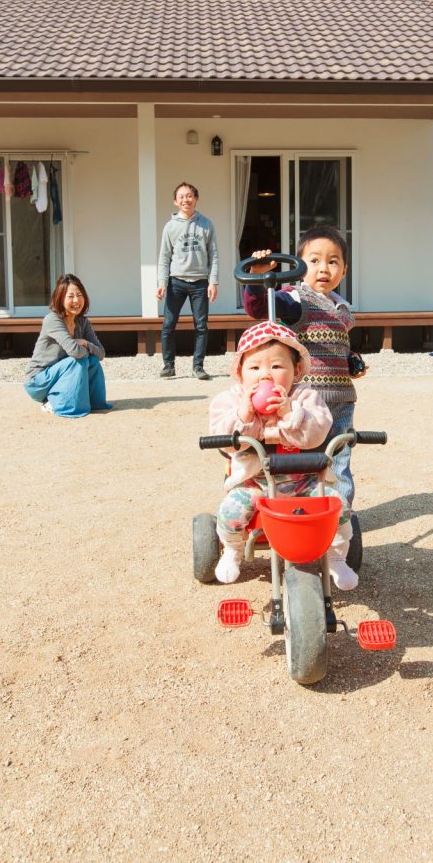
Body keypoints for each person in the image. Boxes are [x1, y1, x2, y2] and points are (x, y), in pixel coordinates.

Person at [209, 320, 358, 590]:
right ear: (240, 372)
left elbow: (318, 433)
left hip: (306, 482)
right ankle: (232, 550)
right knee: (232, 509)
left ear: (296, 369)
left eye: (277, 366)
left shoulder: (306, 397)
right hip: (256, 483)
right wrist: (244, 414)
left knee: (338, 506)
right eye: (254, 367)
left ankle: (337, 557)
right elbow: (226, 441)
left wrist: (290, 413)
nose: (265, 375)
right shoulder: (230, 399)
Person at [243, 226, 367, 509]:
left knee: (339, 457)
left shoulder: (342, 309)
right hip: (308, 399)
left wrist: (351, 362)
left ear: (344, 270)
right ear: (299, 266)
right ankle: (297, 505)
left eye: (333, 261)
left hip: (342, 400)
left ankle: (338, 515)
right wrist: (257, 278)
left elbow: (336, 348)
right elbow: (259, 307)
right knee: (305, 454)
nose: (324, 268)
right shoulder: (296, 300)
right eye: (314, 260)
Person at [24, 273, 111, 418]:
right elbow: (76, 353)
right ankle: (54, 403)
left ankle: (93, 403)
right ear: (60, 298)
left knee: (93, 361)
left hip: (61, 375)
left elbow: (101, 354)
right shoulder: (52, 320)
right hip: (38, 382)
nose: (76, 300)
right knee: (79, 360)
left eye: (79, 295)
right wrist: (84, 349)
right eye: (70, 296)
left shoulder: (83, 322)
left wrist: (84, 342)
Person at [156, 183, 219, 380]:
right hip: (176, 282)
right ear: (176, 201)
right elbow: (164, 257)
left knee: (201, 326)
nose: (186, 200)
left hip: (200, 282)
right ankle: (168, 366)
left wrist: (213, 281)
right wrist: (162, 283)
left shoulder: (206, 224)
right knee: (168, 324)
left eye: (189, 196)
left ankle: (198, 367)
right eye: (181, 197)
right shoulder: (170, 226)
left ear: (196, 199)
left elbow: (214, 256)